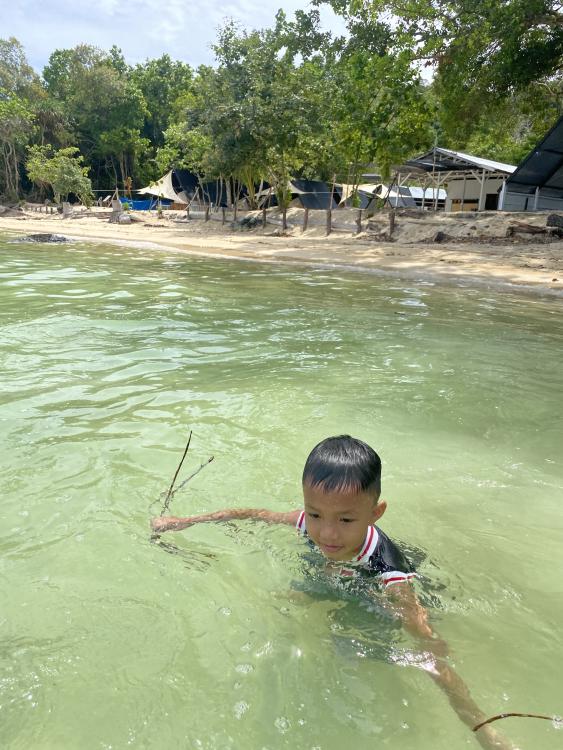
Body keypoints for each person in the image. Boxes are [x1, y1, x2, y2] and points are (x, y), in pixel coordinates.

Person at [151, 435, 516, 750]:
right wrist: (183, 522)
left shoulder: (390, 570)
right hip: (341, 576)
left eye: (345, 520)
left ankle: (483, 730)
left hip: (383, 591)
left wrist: (430, 643)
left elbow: (419, 627)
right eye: (315, 515)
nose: (326, 534)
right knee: (295, 600)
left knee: (393, 654)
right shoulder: (311, 523)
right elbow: (253, 514)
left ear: (376, 513)